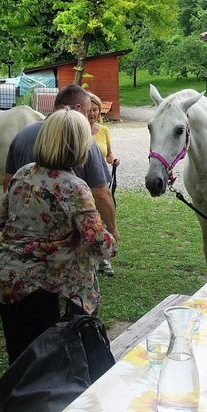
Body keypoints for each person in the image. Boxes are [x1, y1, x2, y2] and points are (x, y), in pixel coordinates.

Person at [0, 108, 118, 364]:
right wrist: (111, 239)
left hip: (6, 281)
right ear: (80, 145)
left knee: (20, 358)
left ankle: (16, 401)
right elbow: (101, 247)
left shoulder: (24, 173)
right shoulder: (74, 186)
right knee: (46, 365)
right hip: (41, 288)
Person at [3, 86, 119, 245]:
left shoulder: (22, 136)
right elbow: (101, 194)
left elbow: (8, 184)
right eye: (87, 111)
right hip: (63, 249)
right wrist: (112, 230)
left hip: (22, 243)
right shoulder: (85, 144)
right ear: (78, 109)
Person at [87, 93, 119, 276]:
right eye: (89, 110)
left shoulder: (104, 131)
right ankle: (90, 260)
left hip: (100, 181)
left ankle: (104, 261)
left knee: (101, 221)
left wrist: (113, 160)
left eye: (95, 110)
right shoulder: (79, 130)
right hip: (84, 185)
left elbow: (108, 154)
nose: (92, 113)